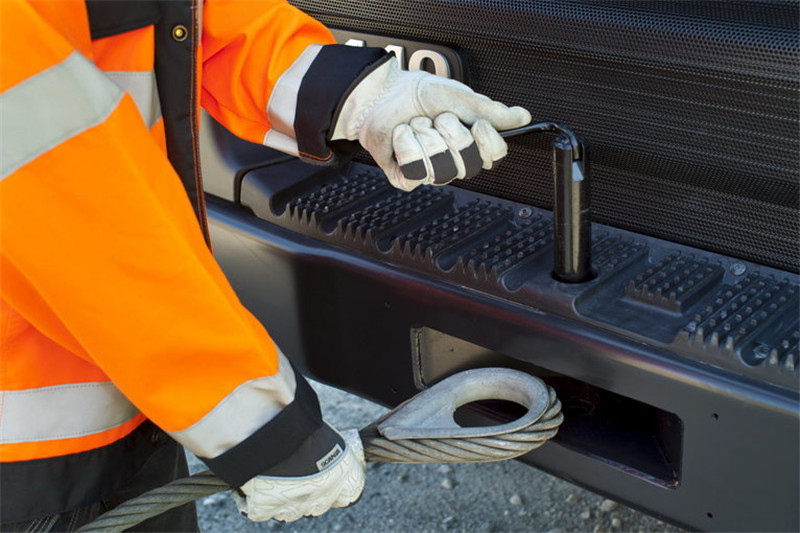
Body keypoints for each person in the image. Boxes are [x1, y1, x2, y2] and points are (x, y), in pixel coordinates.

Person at [0, 0, 531, 530]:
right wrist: (259, 430)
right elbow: (61, 197)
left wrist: (362, 96)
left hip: (125, 397)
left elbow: (184, 14)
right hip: (25, 451)